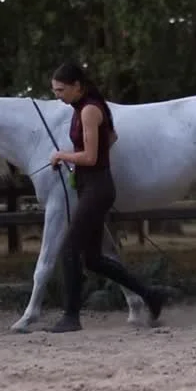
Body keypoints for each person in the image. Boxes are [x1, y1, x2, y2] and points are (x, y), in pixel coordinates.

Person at [47, 61, 164, 333]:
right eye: (55, 90)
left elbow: (90, 156)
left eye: (60, 90)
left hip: (97, 188)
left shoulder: (89, 110)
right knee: (93, 259)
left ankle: (71, 317)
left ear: (77, 86)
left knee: (69, 249)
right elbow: (111, 138)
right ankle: (151, 295)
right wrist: (90, 157)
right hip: (90, 185)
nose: (57, 95)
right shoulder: (85, 107)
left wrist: (63, 155)